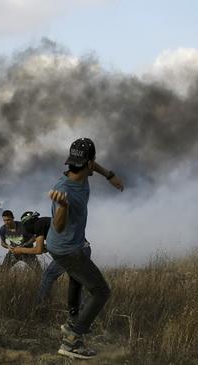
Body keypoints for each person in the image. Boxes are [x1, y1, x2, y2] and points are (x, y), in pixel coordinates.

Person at [47, 138, 122, 360]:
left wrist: (110, 175)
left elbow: (93, 165)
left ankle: (72, 320)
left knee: (77, 277)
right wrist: (62, 207)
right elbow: (58, 227)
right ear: (88, 164)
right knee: (101, 291)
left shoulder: (82, 172)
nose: (93, 166)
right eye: (93, 164)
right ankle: (72, 340)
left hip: (72, 244)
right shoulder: (64, 191)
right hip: (66, 248)